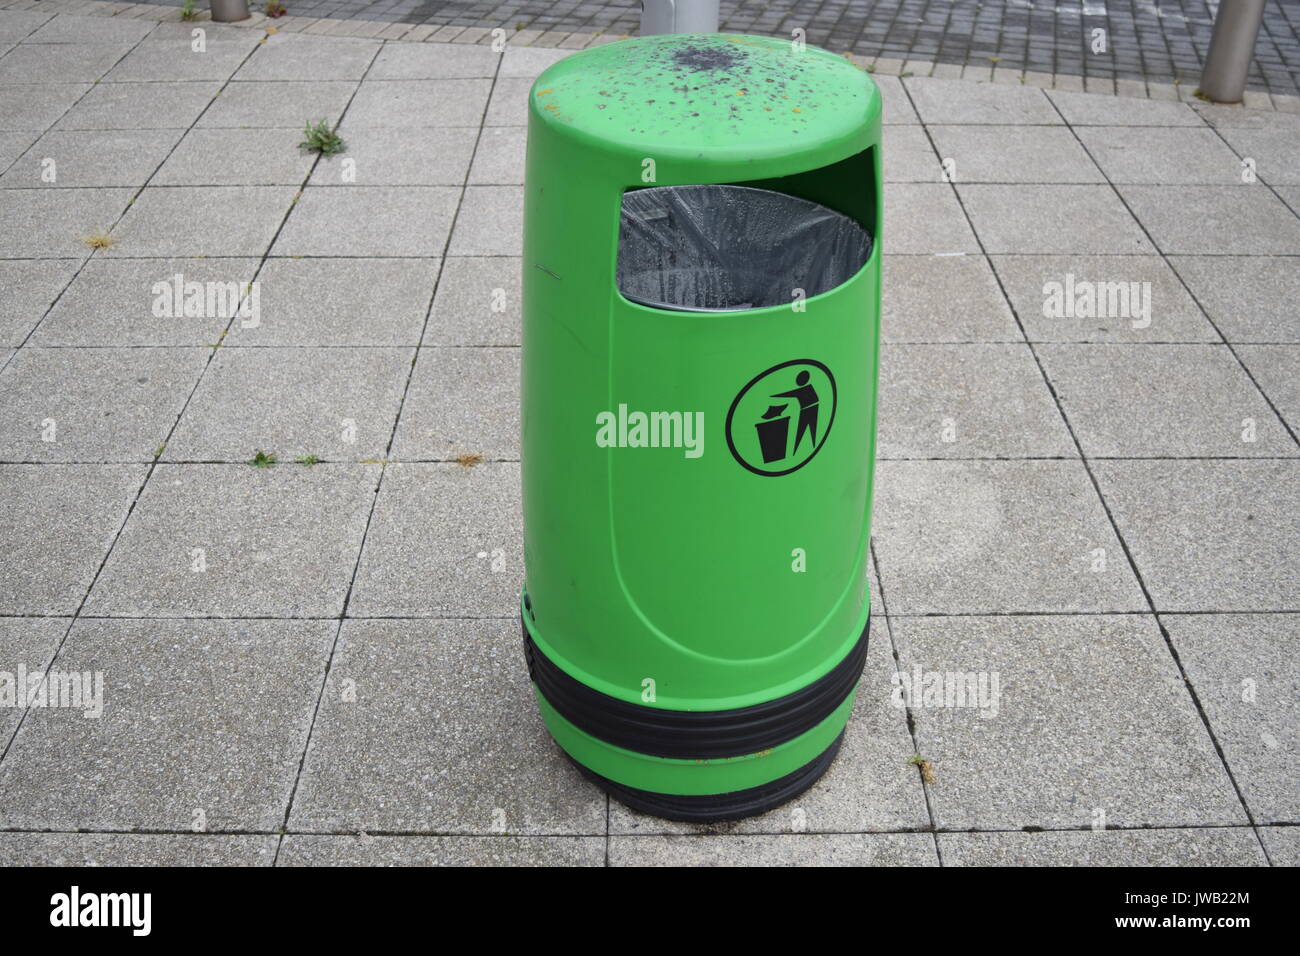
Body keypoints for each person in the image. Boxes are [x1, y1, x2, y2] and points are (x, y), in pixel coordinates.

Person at [771, 370, 819, 456]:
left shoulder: (807, 389)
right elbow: (791, 394)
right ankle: (799, 449)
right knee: (806, 432)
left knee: (802, 432)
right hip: (809, 410)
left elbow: (789, 394)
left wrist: (775, 396)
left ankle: (798, 450)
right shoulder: (808, 388)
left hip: (808, 411)